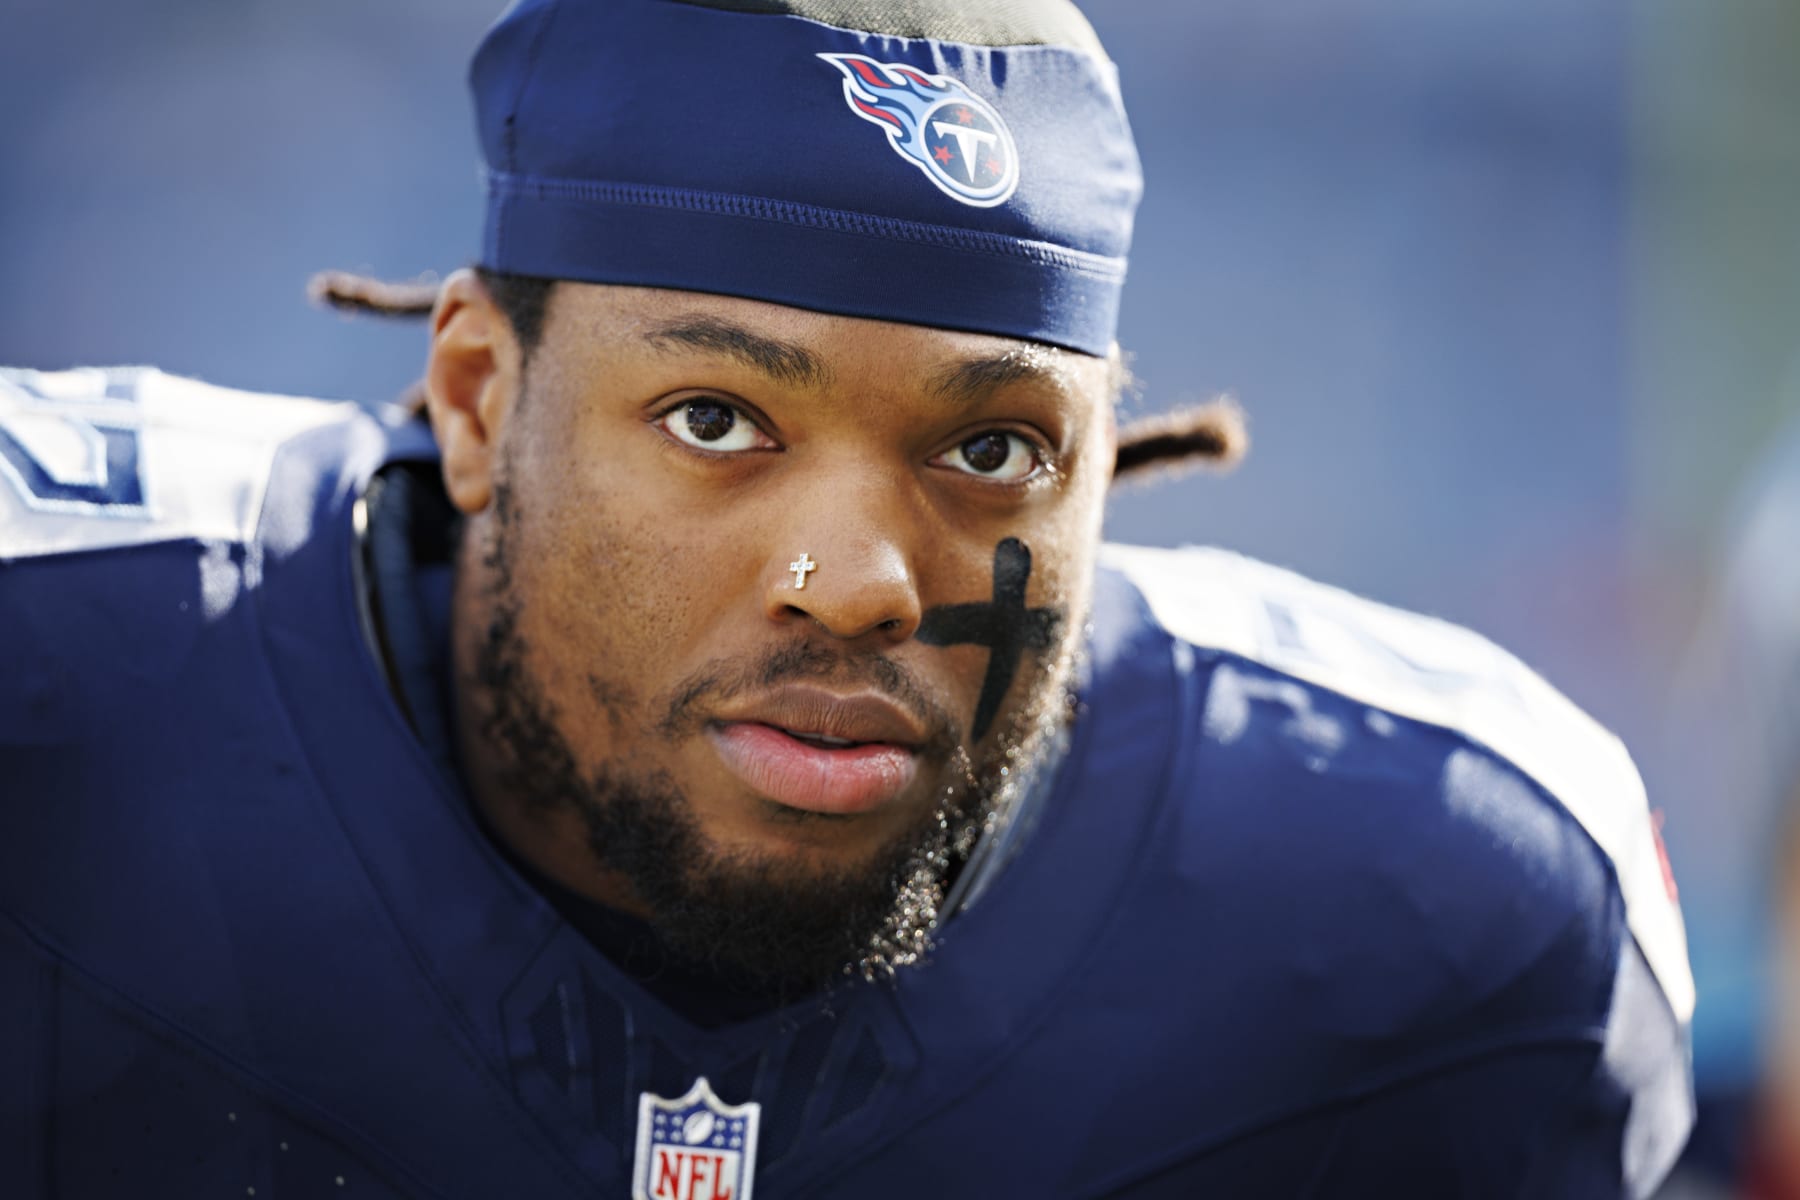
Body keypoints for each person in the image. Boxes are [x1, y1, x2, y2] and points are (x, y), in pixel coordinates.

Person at [0, 0, 1693, 1196]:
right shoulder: (56, 660)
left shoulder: (1449, 900)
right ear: (475, 400)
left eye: (994, 449)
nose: (860, 585)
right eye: (716, 421)